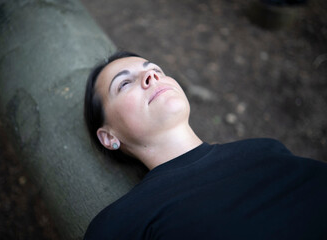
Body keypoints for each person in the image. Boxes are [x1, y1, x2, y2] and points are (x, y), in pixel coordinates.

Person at [83, 51, 327, 240]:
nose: (153, 76)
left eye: (156, 69)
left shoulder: (265, 151)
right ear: (108, 137)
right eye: (124, 84)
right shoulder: (120, 224)